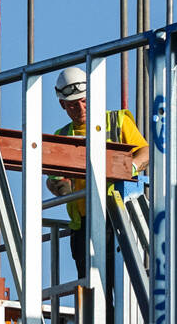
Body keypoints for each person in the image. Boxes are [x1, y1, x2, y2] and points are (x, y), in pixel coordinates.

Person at [45, 66, 149, 283]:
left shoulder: (116, 121)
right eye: (73, 104)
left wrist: (130, 168)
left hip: (117, 215)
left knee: (122, 282)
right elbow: (54, 178)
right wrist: (59, 185)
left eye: (84, 101)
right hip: (83, 225)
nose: (80, 108)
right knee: (92, 288)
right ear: (62, 104)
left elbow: (146, 151)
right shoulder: (62, 135)